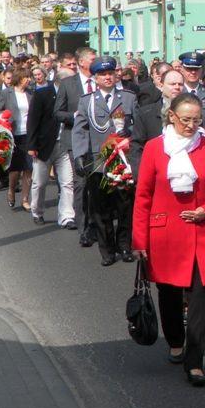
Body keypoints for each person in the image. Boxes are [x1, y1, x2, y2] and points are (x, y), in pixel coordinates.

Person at [131, 92, 205, 387]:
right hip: (165, 234)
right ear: (171, 117)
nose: (191, 125)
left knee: (203, 298)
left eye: (196, 119)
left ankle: (195, 360)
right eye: (185, 119)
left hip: (204, 234)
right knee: (170, 295)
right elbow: (143, 197)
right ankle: (176, 341)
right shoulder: (154, 148)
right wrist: (140, 241)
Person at [72, 56, 137, 266]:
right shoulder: (87, 101)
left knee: (125, 206)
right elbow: (80, 130)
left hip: (123, 162)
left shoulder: (128, 98)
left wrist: (129, 139)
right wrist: (80, 155)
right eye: (102, 75)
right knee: (101, 209)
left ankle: (125, 245)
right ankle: (107, 249)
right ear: (96, 78)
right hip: (99, 164)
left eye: (110, 73)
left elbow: (137, 126)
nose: (108, 77)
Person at [54, 46, 98, 247]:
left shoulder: (100, 80)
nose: (96, 62)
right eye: (92, 59)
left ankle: (98, 224)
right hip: (75, 141)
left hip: (99, 141)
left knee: (98, 184)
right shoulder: (68, 84)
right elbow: (58, 112)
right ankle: (84, 228)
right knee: (81, 183)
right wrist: (75, 116)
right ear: (81, 62)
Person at [27, 67, 76, 228]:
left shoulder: (71, 97)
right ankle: (37, 211)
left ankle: (67, 216)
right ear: (61, 82)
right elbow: (33, 121)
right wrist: (32, 145)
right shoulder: (42, 94)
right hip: (44, 146)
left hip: (64, 145)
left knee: (67, 182)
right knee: (40, 183)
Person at [130, 68, 185, 173]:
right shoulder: (146, 113)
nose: (177, 87)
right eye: (172, 84)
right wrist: (140, 176)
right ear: (161, 85)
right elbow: (137, 146)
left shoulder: (192, 112)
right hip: (155, 172)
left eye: (180, 84)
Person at [0, 66, 35, 210]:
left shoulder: (31, 93)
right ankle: (11, 190)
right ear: (20, 79)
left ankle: (25, 199)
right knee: (15, 169)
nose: (29, 80)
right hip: (13, 135)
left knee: (29, 167)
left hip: (29, 134)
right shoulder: (6, 93)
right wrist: (3, 118)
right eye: (27, 77)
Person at [178, 52, 205, 133]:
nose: (193, 72)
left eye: (196, 69)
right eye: (189, 69)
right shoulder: (177, 93)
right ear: (182, 70)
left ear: (201, 70)